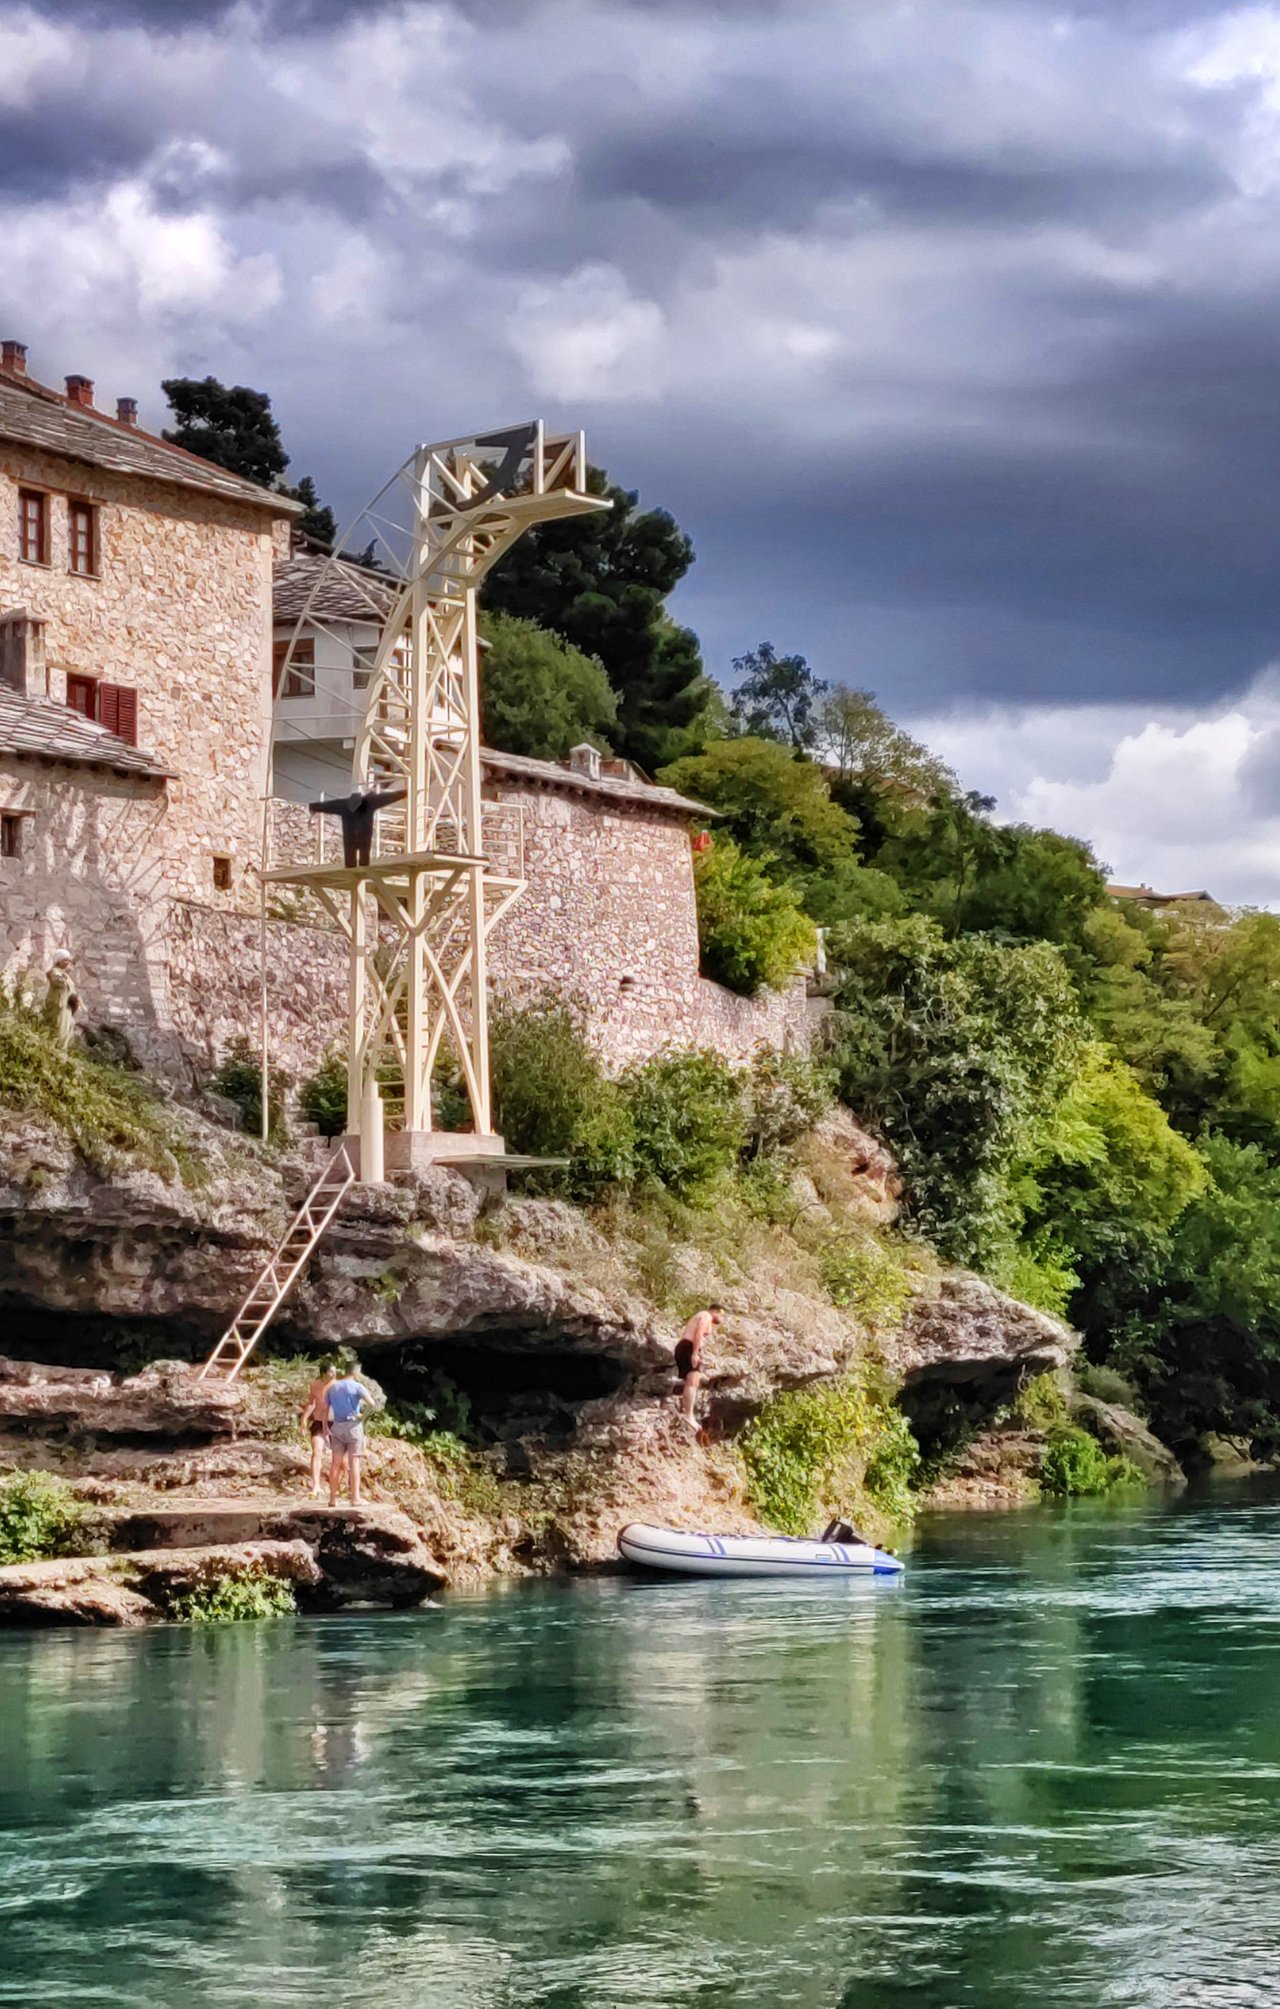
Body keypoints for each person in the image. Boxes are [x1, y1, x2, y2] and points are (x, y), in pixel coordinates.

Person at [326, 1369, 377, 1507]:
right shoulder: (357, 1386)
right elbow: (371, 1403)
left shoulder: (332, 1388)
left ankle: (332, 1499)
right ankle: (355, 1498)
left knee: (335, 1464)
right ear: (354, 1373)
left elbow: (327, 1408)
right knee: (354, 1463)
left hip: (337, 1426)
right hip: (353, 1427)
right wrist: (363, 1416)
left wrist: (326, 1426)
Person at [674, 1304, 724, 1424]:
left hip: (686, 1347)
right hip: (689, 1347)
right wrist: (695, 1353)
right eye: (722, 1316)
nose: (722, 1320)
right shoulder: (706, 1316)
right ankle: (689, 1415)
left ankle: (687, 1412)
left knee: (691, 1381)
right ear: (716, 1312)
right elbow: (699, 1332)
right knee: (693, 1380)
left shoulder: (702, 1316)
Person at [299, 1363, 338, 1497]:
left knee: (339, 1458)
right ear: (324, 1373)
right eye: (331, 1372)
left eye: (335, 1372)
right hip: (318, 1422)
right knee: (317, 1452)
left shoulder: (338, 1386)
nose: (334, 1375)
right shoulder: (315, 1385)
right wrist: (304, 1419)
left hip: (336, 1423)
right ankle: (316, 1486)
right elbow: (312, 1403)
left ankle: (341, 1486)